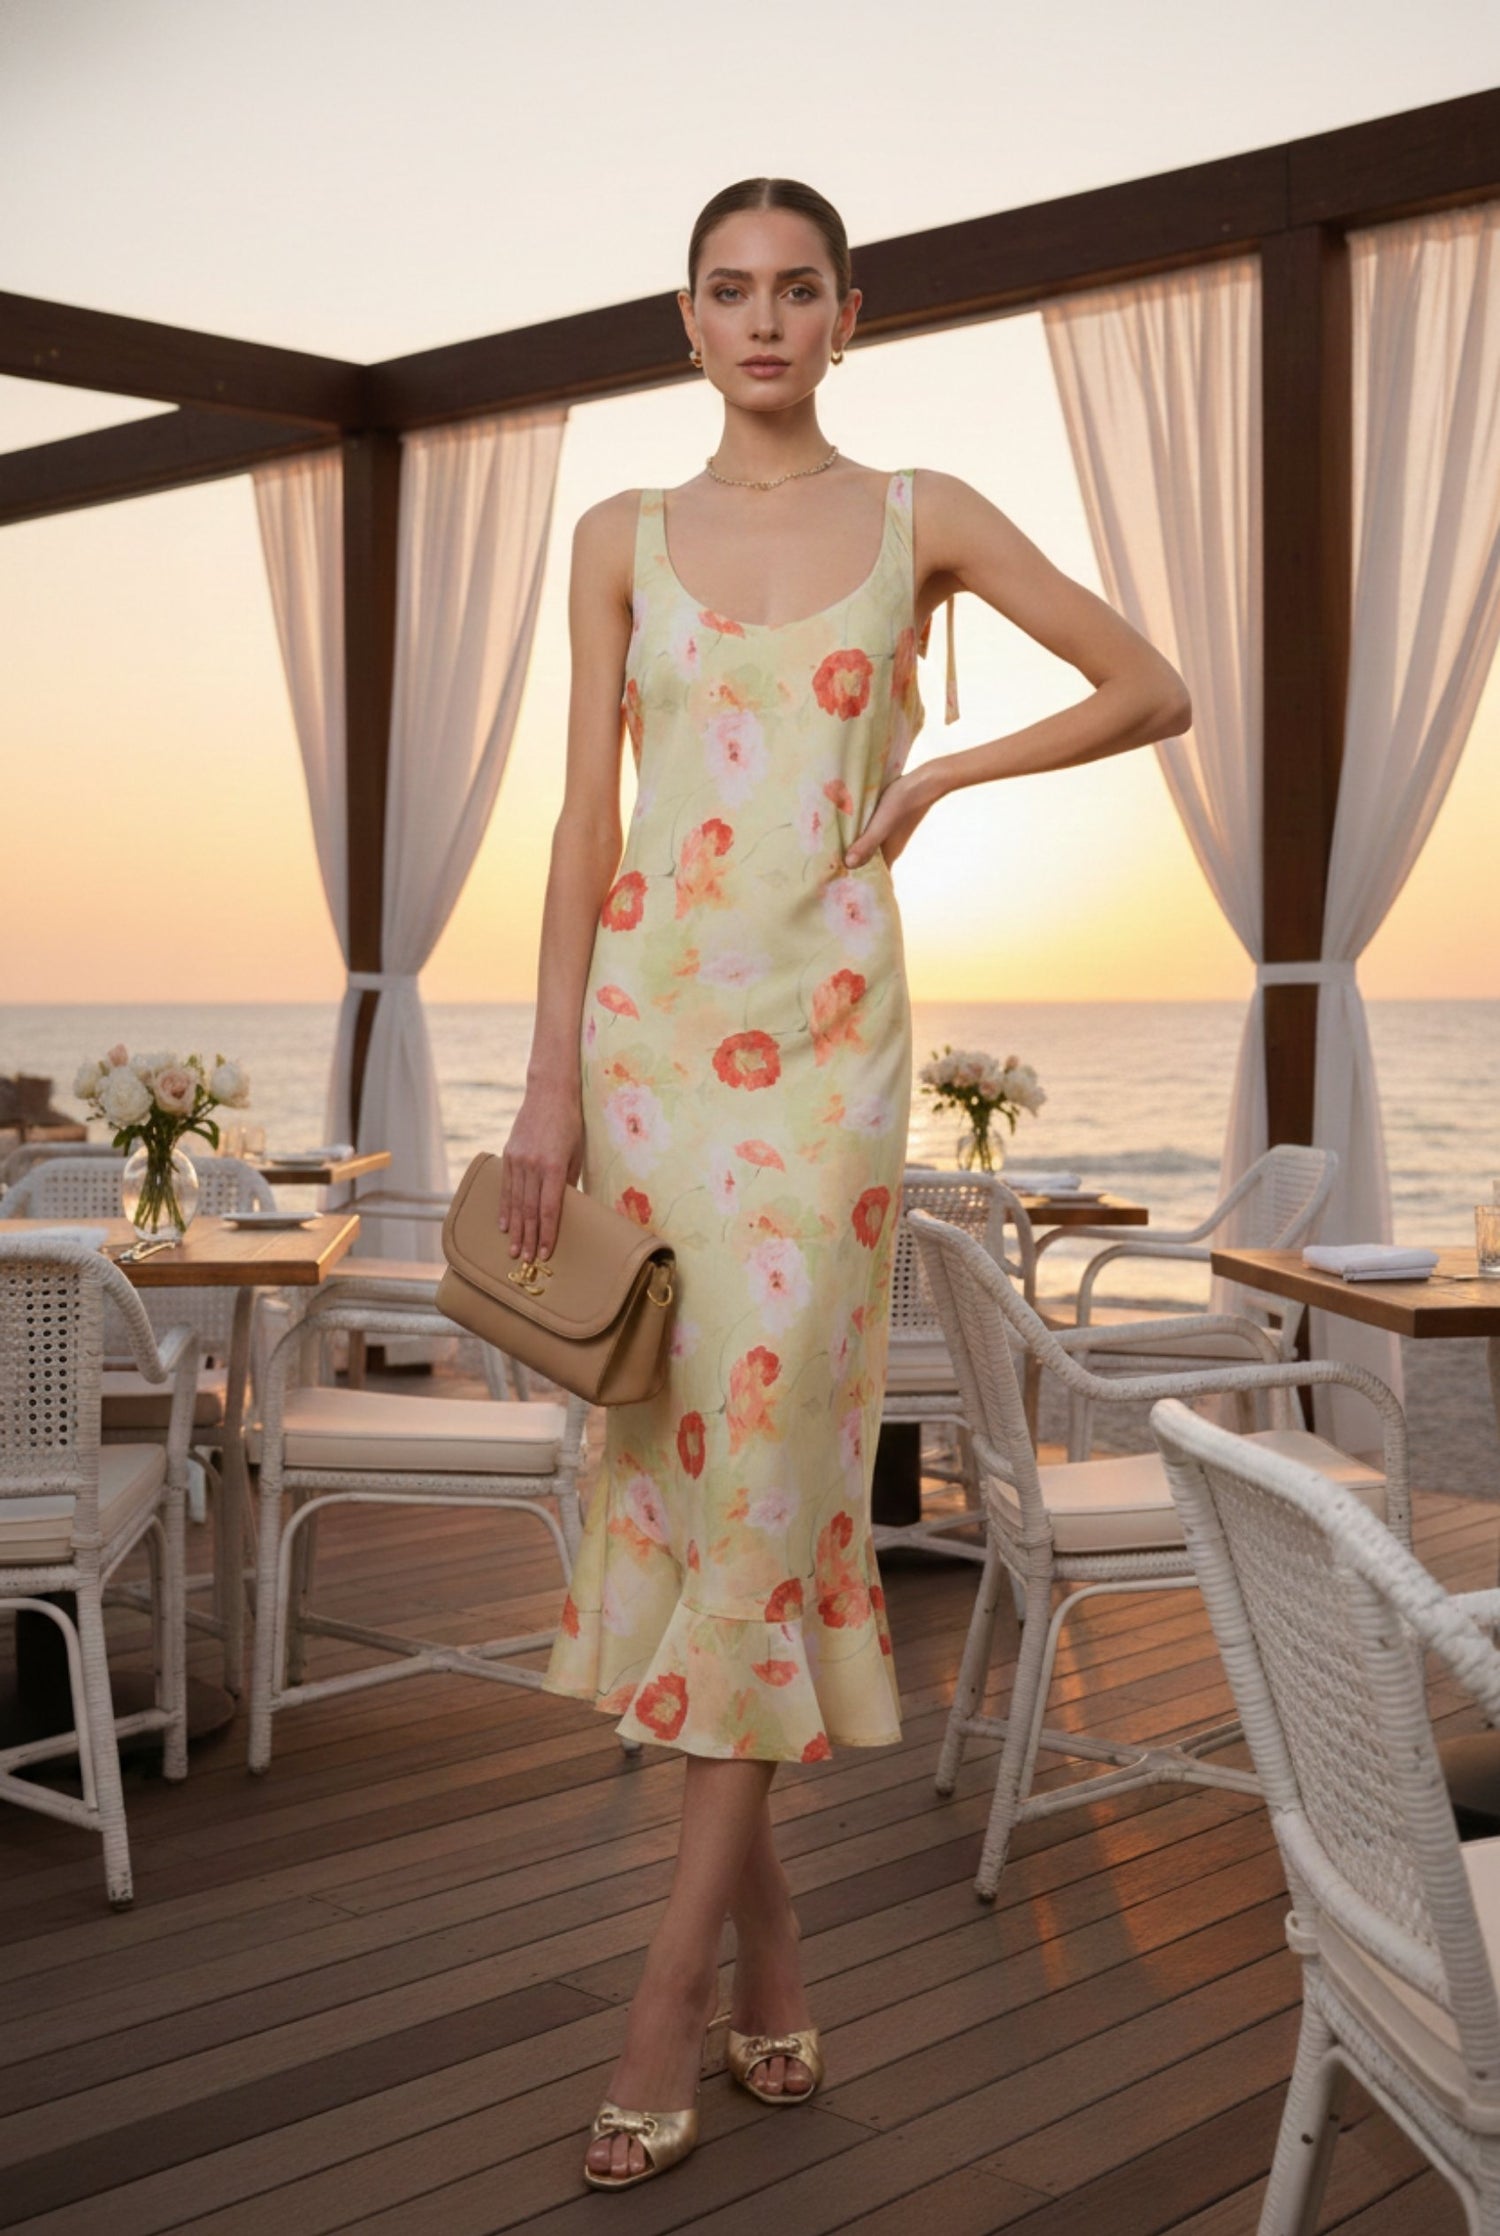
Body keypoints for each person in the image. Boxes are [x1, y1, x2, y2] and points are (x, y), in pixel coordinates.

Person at [496, 175, 1192, 2191]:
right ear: (687, 320)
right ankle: (774, 1937)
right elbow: (582, 826)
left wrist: (948, 767)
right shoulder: (616, 535)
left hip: (825, 1067)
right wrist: (543, 1088)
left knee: (777, 1471)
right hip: (645, 1052)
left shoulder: (922, 517)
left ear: (849, 314)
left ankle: (662, 2001)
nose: (764, 321)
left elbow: (1150, 685)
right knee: (692, 1475)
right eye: (730, 290)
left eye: (798, 290)